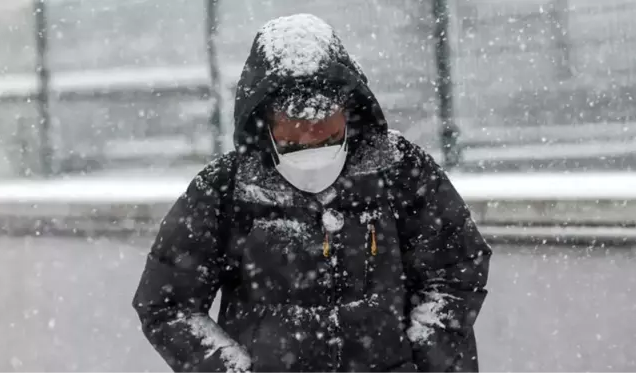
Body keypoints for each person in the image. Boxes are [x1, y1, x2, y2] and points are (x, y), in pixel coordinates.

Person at [132, 13, 491, 373]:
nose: (313, 152)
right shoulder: (225, 190)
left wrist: (424, 357)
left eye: (329, 138)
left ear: (350, 114)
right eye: (293, 143)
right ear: (263, 125)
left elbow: (456, 269)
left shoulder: (399, 170)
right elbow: (166, 304)